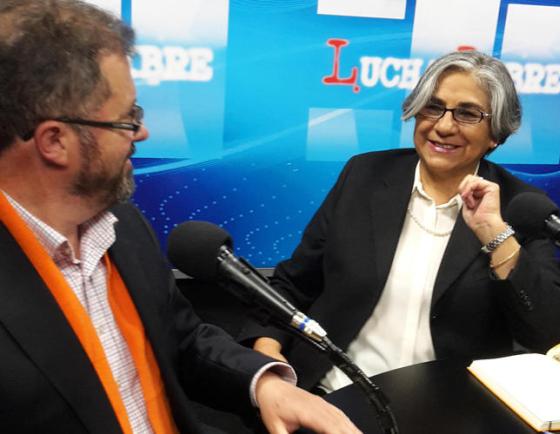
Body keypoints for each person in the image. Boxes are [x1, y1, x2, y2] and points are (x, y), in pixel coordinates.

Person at [0, 1, 361, 433]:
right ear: (54, 141)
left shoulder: (123, 225)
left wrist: (265, 384)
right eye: (127, 119)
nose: (143, 132)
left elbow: (181, 338)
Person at [247, 50, 560, 392]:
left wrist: (496, 233)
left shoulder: (520, 208)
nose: (444, 126)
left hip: (448, 410)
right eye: (433, 107)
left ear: (496, 133)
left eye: (467, 114)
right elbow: (294, 283)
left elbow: (548, 334)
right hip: (331, 393)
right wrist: (268, 356)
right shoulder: (364, 175)